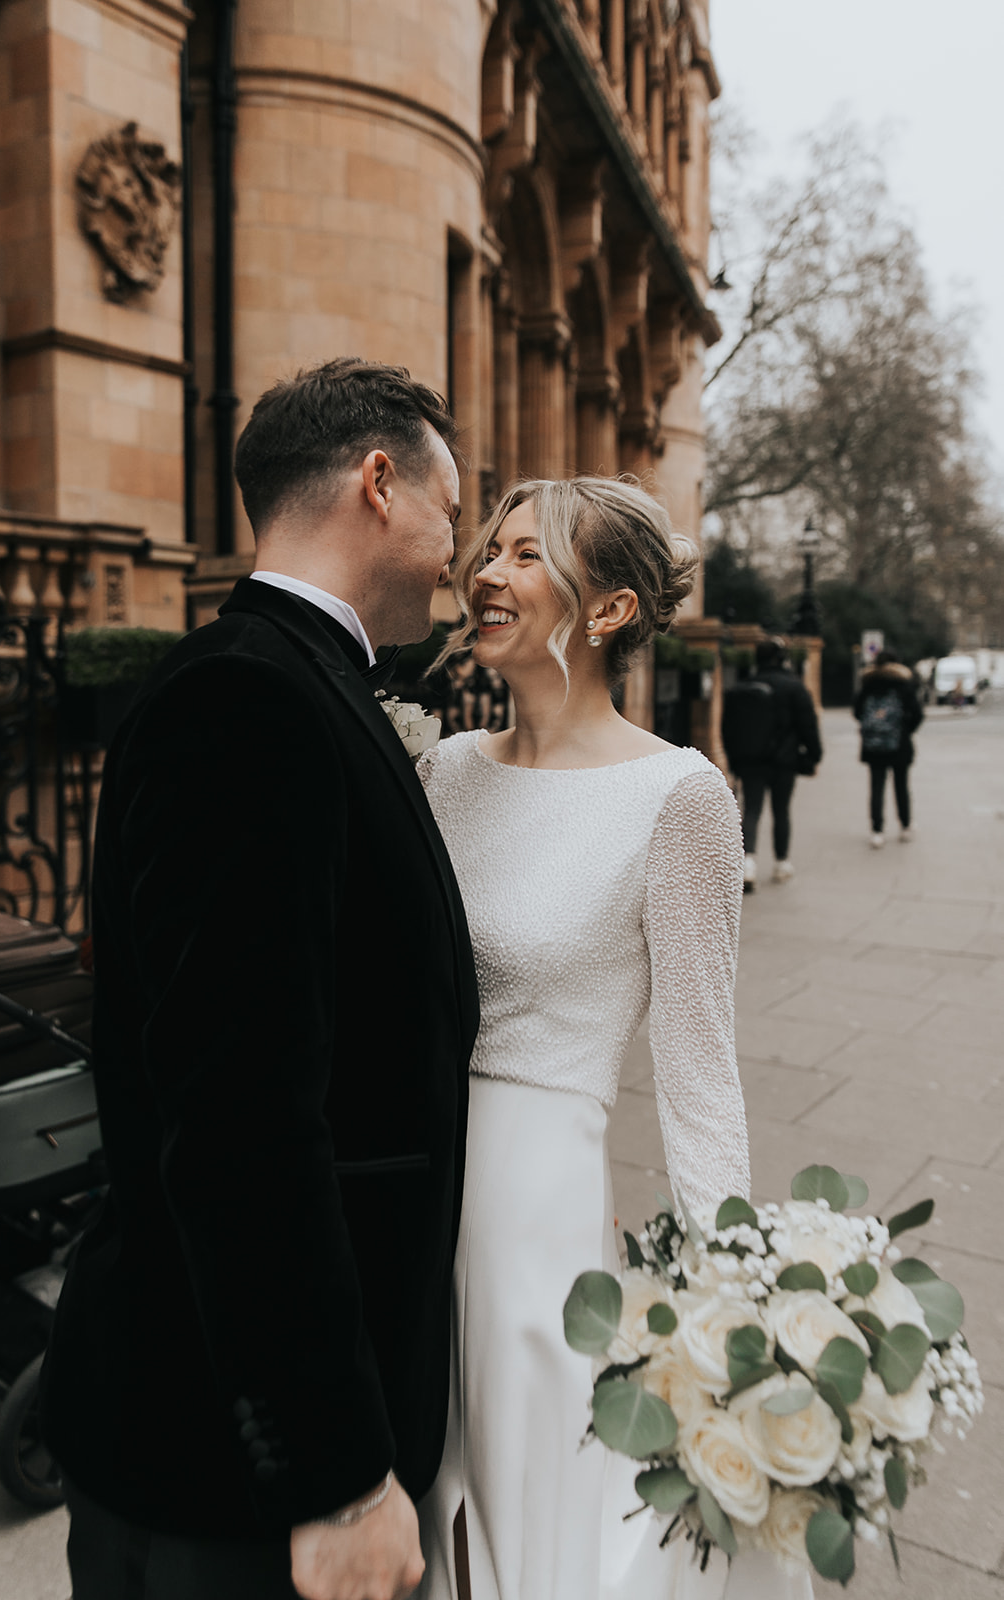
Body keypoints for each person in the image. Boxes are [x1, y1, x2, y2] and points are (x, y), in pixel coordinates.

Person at [40, 358, 480, 1600]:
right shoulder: (248, 701)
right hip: (223, 1467)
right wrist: (333, 1475)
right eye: (451, 507)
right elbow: (238, 1120)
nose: (455, 549)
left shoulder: (295, 682)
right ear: (378, 484)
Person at [413, 478, 808, 1600]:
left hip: (533, 1207)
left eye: (524, 555)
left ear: (608, 611)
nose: (484, 572)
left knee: (526, 1493)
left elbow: (695, 1075)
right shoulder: (443, 770)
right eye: (486, 549)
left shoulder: (676, 796)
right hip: (416, 1176)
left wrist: (735, 1294)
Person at [721, 638, 821, 892]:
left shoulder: (742, 687)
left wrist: (734, 761)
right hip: (784, 761)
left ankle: (748, 864)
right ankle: (781, 863)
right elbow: (807, 725)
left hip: (749, 761)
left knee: (751, 809)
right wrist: (813, 757)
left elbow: (728, 728)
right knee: (781, 810)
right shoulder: (793, 687)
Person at [853, 648, 923, 847]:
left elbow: (857, 711)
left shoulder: (868, 684)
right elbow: (917, 714)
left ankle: (877, 831)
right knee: (901, 785)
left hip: (873, 745)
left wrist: (874, 728)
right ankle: (905, 825)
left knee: (876, 786)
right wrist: (904, 730)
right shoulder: (904, 685)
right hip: (899, 744)